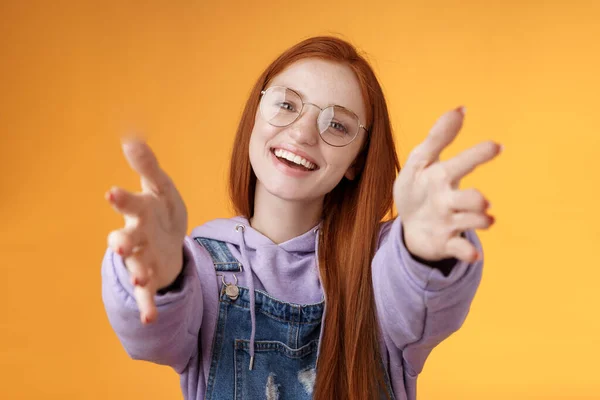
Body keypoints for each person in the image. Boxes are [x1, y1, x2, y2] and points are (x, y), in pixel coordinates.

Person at [101, 36, 501, 400]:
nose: (304, 133)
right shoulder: (203, 269)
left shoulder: (379, 267)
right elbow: (149, 337)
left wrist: (424, 255)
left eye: (337, 124)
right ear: (255, 114)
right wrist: (162, 277)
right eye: (287, 104)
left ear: (355, 161)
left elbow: (419, 302)